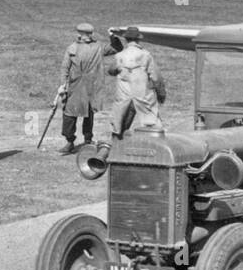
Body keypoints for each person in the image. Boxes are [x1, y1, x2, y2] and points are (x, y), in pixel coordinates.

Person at [94, 27, 166, 164]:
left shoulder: (120, 56)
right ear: (138, 39)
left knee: (119, 125)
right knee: (152, 125)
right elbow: (156, 77)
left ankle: (114, 153)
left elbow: (111, 70)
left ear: (126, 39)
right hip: (143, 95)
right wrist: (161, 93)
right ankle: (158, 155)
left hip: (124, 95)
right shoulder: (146, 55)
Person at [56, 22, 110, 154]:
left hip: (87, 86)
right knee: (71, 114)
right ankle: (73, 141)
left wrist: (63, 84)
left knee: (83, 114)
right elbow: (65, 68)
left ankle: (84, 141)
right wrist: (63, 85)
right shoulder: (76, 48)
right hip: (77, 86)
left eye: (86, 34)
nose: (85, 36)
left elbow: (64, 68)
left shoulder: (95, 47)